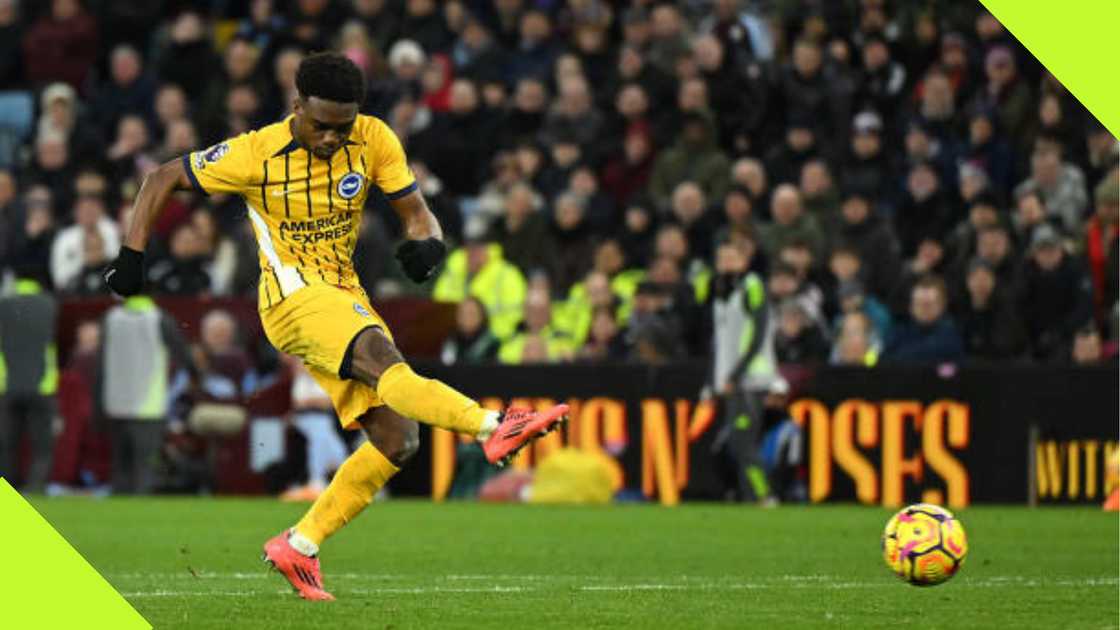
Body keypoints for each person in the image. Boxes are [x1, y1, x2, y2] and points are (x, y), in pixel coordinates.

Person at [102, 52, 567, 601]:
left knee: (399, 440)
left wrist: (428, 242)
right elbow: (160, 178)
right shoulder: (255, 153)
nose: (330, 138)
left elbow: (416, 210)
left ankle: (300, 545)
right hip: (293, 299)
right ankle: (492, 427)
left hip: (345, 294)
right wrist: (132, 257)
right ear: (297, 106)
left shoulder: (372, 139)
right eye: (320, 125)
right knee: (385, 364)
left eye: (341, 127)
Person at [708, 235, 780, 503]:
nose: (726, 263)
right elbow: (720, 341)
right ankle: (751, 496)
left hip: (751, 378)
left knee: (744, 441)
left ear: (745, 260)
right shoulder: (723, 291)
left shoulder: (752, 285)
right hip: (732, 378)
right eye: (722, 258)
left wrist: (736, 373)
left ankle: (766, 495)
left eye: (732, 257)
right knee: (739, 442)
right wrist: (712, 380)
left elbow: (759, 333)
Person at [0, 269, 58, 493]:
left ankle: (7, 491)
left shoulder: (4, 305)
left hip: (7, 386)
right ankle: (36, 488)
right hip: (42, 386)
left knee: (7, 445)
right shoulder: (49, 304)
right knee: (42, 446)